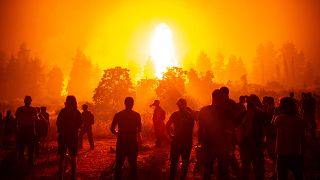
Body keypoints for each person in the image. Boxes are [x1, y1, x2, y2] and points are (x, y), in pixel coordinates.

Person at [198, 89, 229, 180]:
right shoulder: (225, 112)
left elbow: (201, 129)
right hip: (222, 144)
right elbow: (229, 129)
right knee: (222, 170)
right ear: (220, 98)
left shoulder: (204, 110)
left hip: (208, 144)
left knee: (208, 168)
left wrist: (200, 143)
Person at [274, 97, 305, 180]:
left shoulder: (279, 119)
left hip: (282, 153)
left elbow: (272, 126)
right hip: (295, 152)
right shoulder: (299, 120)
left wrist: (275, 113)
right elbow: (302, 138)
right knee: (298, 176)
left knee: (281, 176)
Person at [111, 97, 142, 180]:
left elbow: (112, 129)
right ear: (133, 104)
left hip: (121, 142)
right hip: (132, 141)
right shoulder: (137, 115)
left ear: (124, 103)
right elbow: (139, 129)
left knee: (119, 165)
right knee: (133, 166)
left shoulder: (118, 115)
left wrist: (119, 133)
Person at [237, 94, 265, 180]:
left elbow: (236, 127)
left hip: (244, 145)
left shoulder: (242, 114)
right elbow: (266, 128)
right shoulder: (261, 115)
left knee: (245, 167)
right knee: (259, 169)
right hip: (257, 145)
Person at [166, 98, 194, 180]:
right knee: (185, 162)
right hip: (187, 142)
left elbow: (167, 125)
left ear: (178, 105)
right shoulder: (190, 116)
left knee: (174, 162)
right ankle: (182, 177)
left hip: (177, 142)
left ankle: (172, 177)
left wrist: (171, 135)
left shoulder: (175, 114)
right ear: (185, 105)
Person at [56, 96, 82, 180]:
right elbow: (80, 125)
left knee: (62, 157)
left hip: (63, 136)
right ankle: (73, 177)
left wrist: (61, 131)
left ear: (67, 102)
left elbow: (58, 123)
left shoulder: (63, 111)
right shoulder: (77, 112)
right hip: (73, 137)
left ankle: (60, 176)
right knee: (73, 157)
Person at [15, 96, 38, 165]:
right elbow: (37, 119)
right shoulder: (33, 109)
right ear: (31, 101)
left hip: (22, 130)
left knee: (21, 147)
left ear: (24, 101)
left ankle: (21, 161)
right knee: (31, 147)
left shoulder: (19, 109)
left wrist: (17, 129)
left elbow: (16, 120)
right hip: (30, 130)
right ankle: (30, 162)